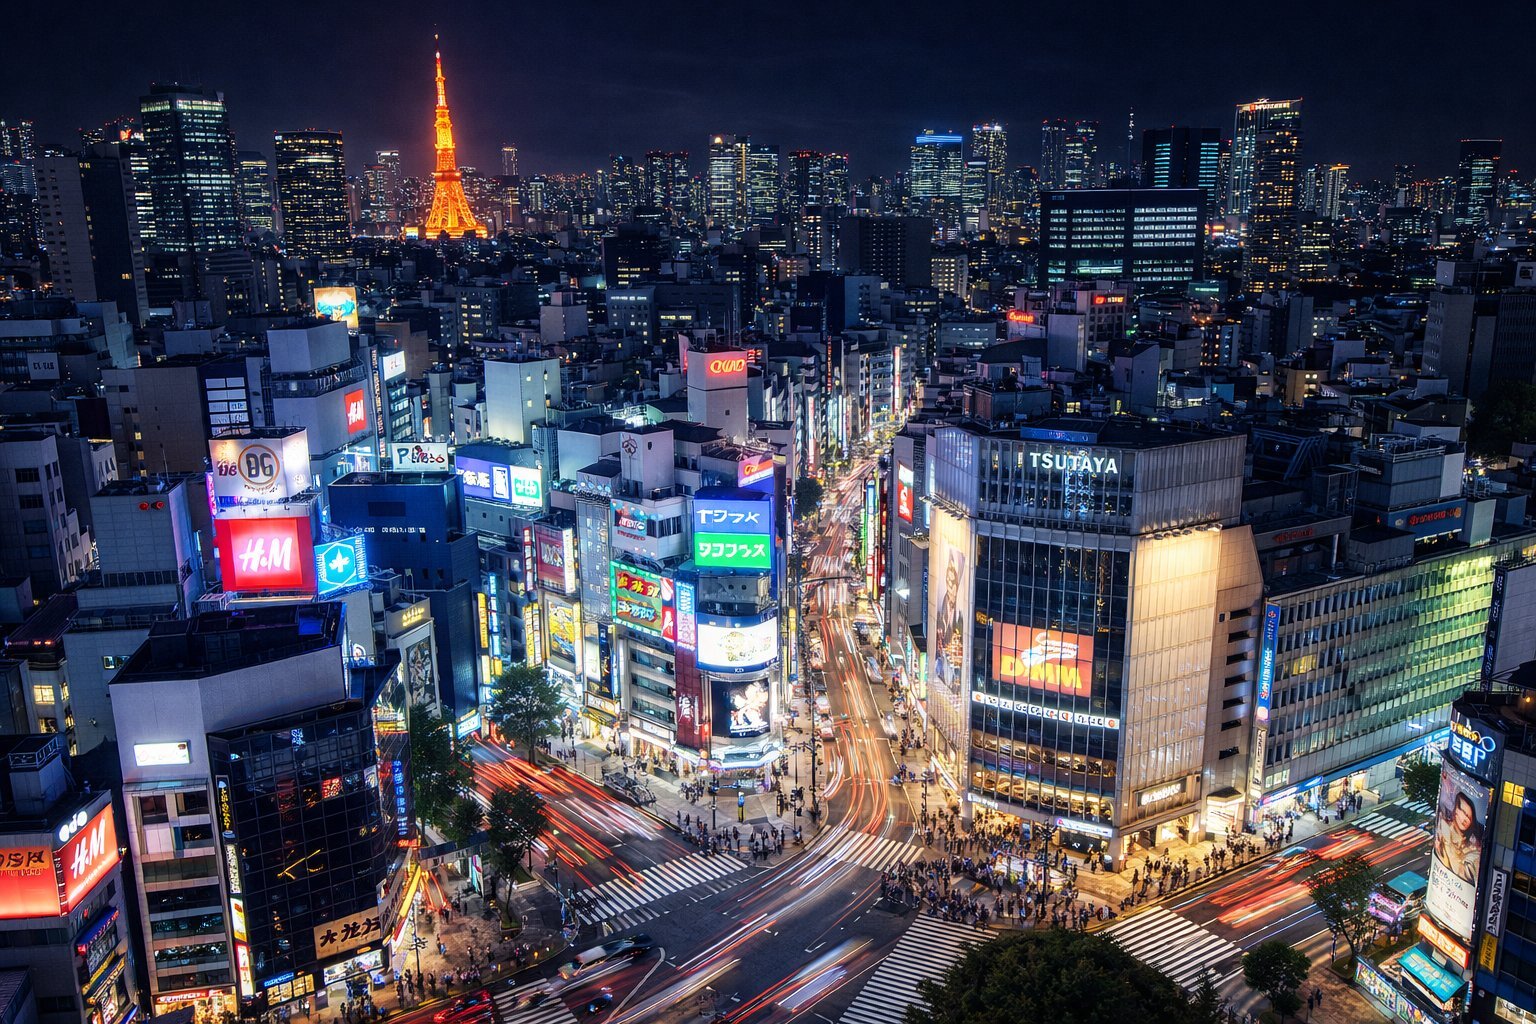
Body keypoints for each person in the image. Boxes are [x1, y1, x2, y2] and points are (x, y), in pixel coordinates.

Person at [1434, 790, 1485, 882]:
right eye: (1464, 813)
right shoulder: (1444, 828)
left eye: (1469, 818)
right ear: (1456, 810)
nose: (1465, 819)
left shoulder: (1473, 848)